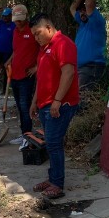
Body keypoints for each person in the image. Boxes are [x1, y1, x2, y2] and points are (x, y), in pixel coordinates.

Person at [29, 12, 79, 200]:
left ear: (49, 28)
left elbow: (68, 74)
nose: (36, 38)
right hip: (45, 104)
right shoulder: (44, 48)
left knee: (54, 143)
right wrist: (34, 101)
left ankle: (57, 183)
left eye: (38, 33)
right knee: (50, 143)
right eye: (33, 34)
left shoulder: (63, 44)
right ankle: (52, 179)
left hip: (60, 104)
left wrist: (57, 101)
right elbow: (41, 78)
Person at [3, 4, 38, 144]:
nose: (17, 23)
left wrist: (36, 67)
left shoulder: (33, 30)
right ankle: (24, 134)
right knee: (19, 105)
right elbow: (16, 50)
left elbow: (43, 50)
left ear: (26, 17)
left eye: (20, 20)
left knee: (25, 106)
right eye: (16, 20)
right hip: (14, 74)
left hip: (26, 76)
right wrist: (9, 60)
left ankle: (28, 135)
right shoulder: (15, 32)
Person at [69, 0, 107, 91]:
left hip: (91, 67)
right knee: (78, 97)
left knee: (83, 98)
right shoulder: (82, 23)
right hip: (81, 67)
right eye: (80, 11)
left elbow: (89, 4)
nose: (82, 13)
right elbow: (72, 7)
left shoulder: (96, 21)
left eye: (84, 10)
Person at [0, 6, 15, 97]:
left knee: (6, 71)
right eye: (3, 16)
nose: (4, 18)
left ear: (10, 16)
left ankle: (5, 90)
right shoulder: (0, 23)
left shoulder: (14, 25)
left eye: (6, 16)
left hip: (8, 52)